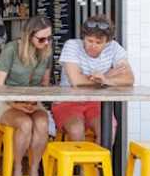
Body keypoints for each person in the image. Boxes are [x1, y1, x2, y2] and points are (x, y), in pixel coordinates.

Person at [0, 16, 54, 176]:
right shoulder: (11, 49)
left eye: (49, 38)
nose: (46, 42)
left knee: (42, 123)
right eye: (41, 39)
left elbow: (45, 85)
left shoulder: (46, 52)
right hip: (5, 102)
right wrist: (15, 103)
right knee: (25, 124)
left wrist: (34, 102)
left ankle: (34, 171)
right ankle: (18, 169)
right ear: (29, 36)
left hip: (33, 101)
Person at [52, 15, 134, 143]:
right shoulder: (72, 46)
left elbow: (129, 79)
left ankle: (98, 163)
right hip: (67, 101)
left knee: (109, 129)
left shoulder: (114, 48)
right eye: (89, 41)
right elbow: (76, 82)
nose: (93, 45)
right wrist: (107, 76)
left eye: (98, 42)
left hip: (96, 102)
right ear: (83, 37)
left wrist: (106, 80)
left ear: (107, 42)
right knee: (76, 130)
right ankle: (79, 163)